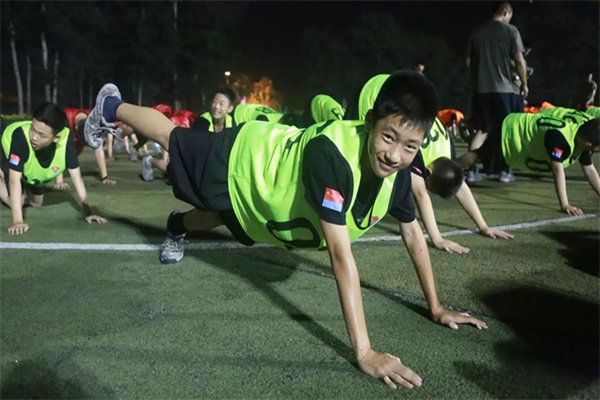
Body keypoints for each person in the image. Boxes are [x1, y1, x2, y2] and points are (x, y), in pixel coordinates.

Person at [84, 71, 487, 389]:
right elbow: (341, 257)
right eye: (388, 137)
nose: (395, 155)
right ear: (369, 122)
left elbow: (413, 235)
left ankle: (177, 224)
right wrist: (364, 352)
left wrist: (436, 307)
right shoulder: (332, 157)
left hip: (268, 208)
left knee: (222, 217)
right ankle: (112, 106)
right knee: (175, 139)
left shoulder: (399, 173)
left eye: (410, 146)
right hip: (247, 160)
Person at [359, 73, 513, 254]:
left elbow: (460, 186)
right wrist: (437, 239)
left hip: (404, 92)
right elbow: (420, 194)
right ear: (429, 172)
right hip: (373, 94)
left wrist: (484, 226)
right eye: (430, 187)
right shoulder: (419, 158)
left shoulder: (447, 150)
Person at [458, 113, 600, 216]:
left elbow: (590, 170)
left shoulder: (580, 138)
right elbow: (558, 170)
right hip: (511, 131)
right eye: (595, 145)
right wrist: (565, 204)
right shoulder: (561, 139)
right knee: (479, 156)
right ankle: (452, 166)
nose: (595, 149)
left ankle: (453, 166)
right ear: (589, 142)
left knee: (481, 157)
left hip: (518, 132)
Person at [1, 103, 107, 235]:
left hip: (30, 165)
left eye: (42, 135)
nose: (34, 137)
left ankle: (24, 185)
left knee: (36, 203)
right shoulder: (20, 136)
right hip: (5, 150)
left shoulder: (66, 140)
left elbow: (76, 178)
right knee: (17, 202)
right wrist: (18, 221)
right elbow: (14, 180)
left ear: (56, 138)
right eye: (32, 129)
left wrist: (88, 212)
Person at [466, 1, 528, 183]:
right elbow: (519, 59)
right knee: (505, 131)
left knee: (481, 130)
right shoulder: (511, 31)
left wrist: (474, 84)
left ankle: (472, 171)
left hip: (481, 90)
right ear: (506, 12)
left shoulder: (476, 32)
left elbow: (468, 62)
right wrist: (524, 83)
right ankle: (504, 171)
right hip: (505, 90)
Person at [54, 107, 117, 189]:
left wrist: (104, 177)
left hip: (77, 137)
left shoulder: (94, 123)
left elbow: (98, 149)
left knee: (72, 160)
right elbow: (58, 148)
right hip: (53, 139)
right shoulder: (64, 118)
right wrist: (59, 181)